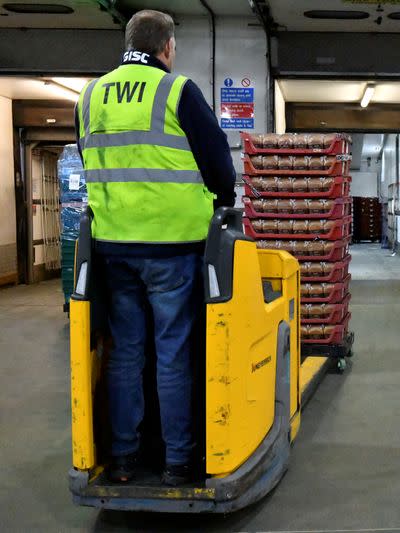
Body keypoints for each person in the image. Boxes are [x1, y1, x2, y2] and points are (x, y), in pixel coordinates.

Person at [74, 9, 236, 486]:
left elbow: (88, 160)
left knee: (126, 352)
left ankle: (123, 459)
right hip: (173, 250)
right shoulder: (176, 90)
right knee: (173, 352)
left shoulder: (90, 96)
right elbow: (219, 165)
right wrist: (221, 203)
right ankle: (177, 461)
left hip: (112, 250)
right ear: (167, 48)